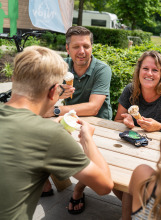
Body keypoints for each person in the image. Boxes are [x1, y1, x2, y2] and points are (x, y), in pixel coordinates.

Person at [0, 46, 113, 219]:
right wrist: (87, 139)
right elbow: (104, 186)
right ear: (54, 91)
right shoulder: (49, 134)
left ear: (14, 79)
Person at [44, 26, 112, 120]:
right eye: (76, 47)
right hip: (69, 119)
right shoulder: (60, 65)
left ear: (91, 47)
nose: (81, 51)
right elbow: (40, 95)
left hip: (99, 124)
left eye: (86, 46)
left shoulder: (102, 70)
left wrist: (55, 111)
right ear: (67, 49)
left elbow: (93, 108)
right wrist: (55, 94)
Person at [114, 50, 161, 132]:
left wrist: (160, 127)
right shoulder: (130, 90)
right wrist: (127, 123)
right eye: (145, 68)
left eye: (155, 70)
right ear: (139, 71)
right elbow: (118, 121)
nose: (149, 73)